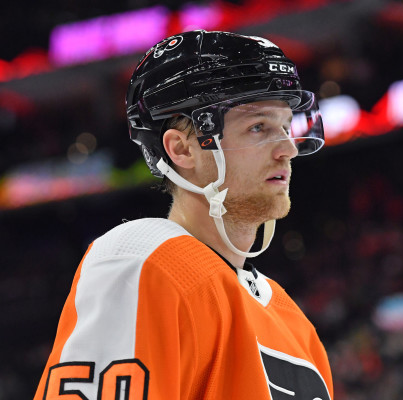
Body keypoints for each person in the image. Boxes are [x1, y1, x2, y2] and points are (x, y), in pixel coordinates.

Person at [34, 30, 333, 399]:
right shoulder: (145, 261)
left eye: (286, 126)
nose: (288, 148)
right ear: (182, 149)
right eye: (258, 127)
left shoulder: (295, 323)